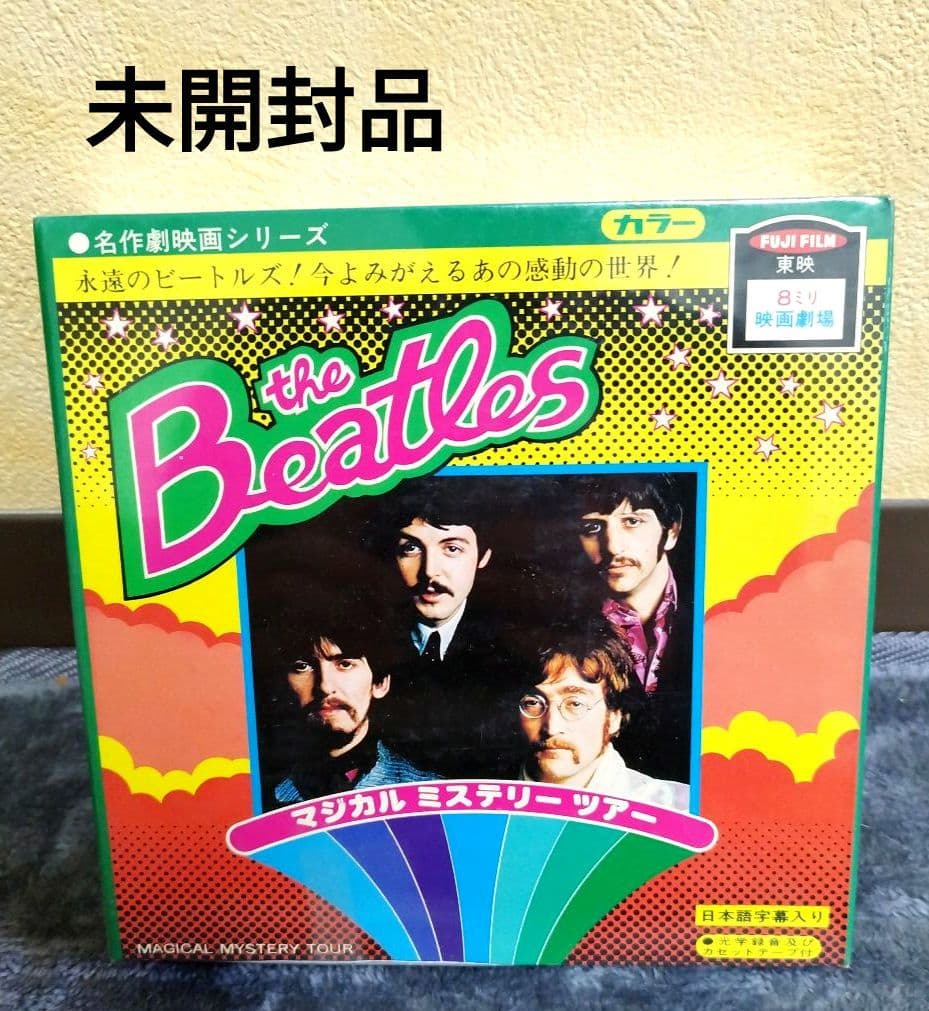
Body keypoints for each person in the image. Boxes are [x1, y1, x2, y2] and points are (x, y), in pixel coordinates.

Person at [367, 477, 525, 779]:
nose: (429, 571)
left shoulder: (514, 650)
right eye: (411, 548)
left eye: (452, 548)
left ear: (483, 556)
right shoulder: (366, 641)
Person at [569, 473, 693, 784]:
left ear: (672, 531)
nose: (612, 546)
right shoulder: (561, 626)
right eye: (592, 527)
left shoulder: (715, 605)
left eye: (632, 521)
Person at [517, 618, 688, 809]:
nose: (551, 728)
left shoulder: (678, 808)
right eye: (533, 703)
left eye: (575, 703)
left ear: (614, 716)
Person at [271, 608, 436, 806]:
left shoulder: (428, 793)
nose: (324, 686)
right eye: (302, 666)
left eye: (345, 664)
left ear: (380, 683)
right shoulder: (264, 795)